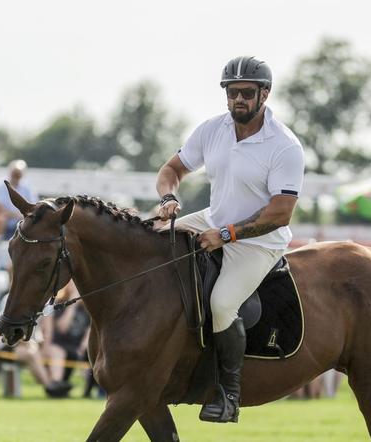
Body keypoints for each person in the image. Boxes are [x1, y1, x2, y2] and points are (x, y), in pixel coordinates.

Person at [155, 56, 305, 423]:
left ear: (264, 94)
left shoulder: (285, 146)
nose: (237, 99)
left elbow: (280, 212)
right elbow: (171, 170)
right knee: (152, 239)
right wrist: (168, 198)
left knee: (222, 303)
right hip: (213, 218)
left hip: (259, 240)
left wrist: (226, 235)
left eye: (246, 93)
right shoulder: (212, 130)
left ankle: (229, 393)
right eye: (231, 92)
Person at [41, 281, 90, 398]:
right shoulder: (57, 304)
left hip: (78, 348)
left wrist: (83, 346)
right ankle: (56, 385)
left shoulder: (87, 307)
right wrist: (73, 303)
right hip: (60, 345)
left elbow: (91, 328)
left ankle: (90, 391)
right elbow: (63, 326)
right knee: (57, 351)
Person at [0, 159, 36, 239]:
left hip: (20, 217)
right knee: (0, 218)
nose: (16, 176)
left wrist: (21, 216)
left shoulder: (27, 188)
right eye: (15, 174)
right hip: (3, 217)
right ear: (10, 172)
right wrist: (16, 215)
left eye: (18, 174)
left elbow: (32, 206)